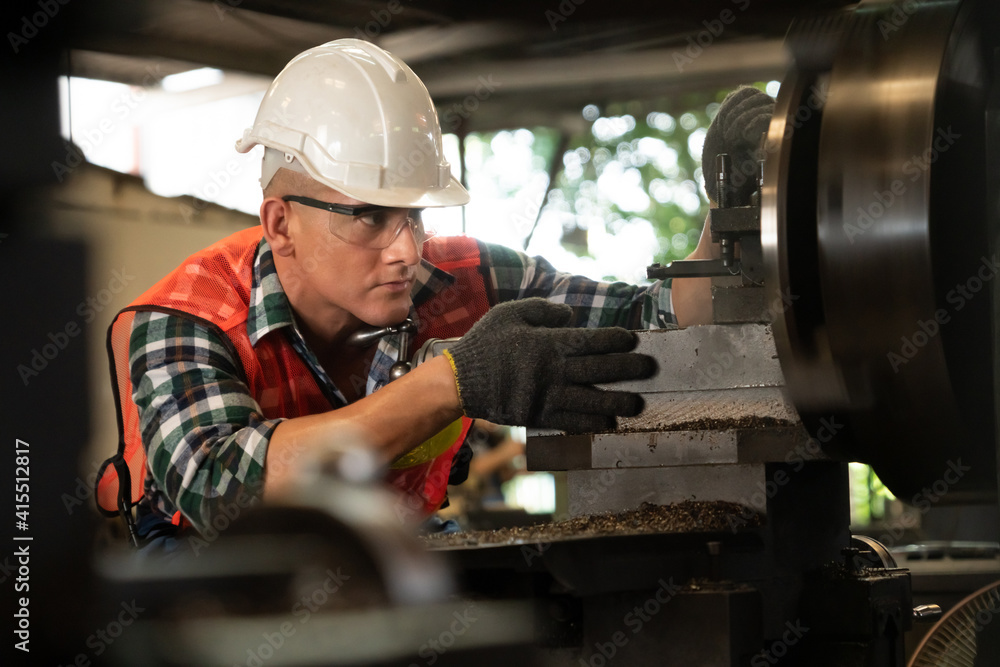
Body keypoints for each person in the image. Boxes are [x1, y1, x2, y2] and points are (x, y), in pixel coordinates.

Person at [95, 39, 773, 549]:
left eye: (415, 213)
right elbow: (226, 491)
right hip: (222, 568)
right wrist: (454, 382)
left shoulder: (467, 278)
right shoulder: (186, 316)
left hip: (396, 548)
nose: (407, 248)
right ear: (281, 222)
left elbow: (655, 326)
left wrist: (727, 216)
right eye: (369, 215)